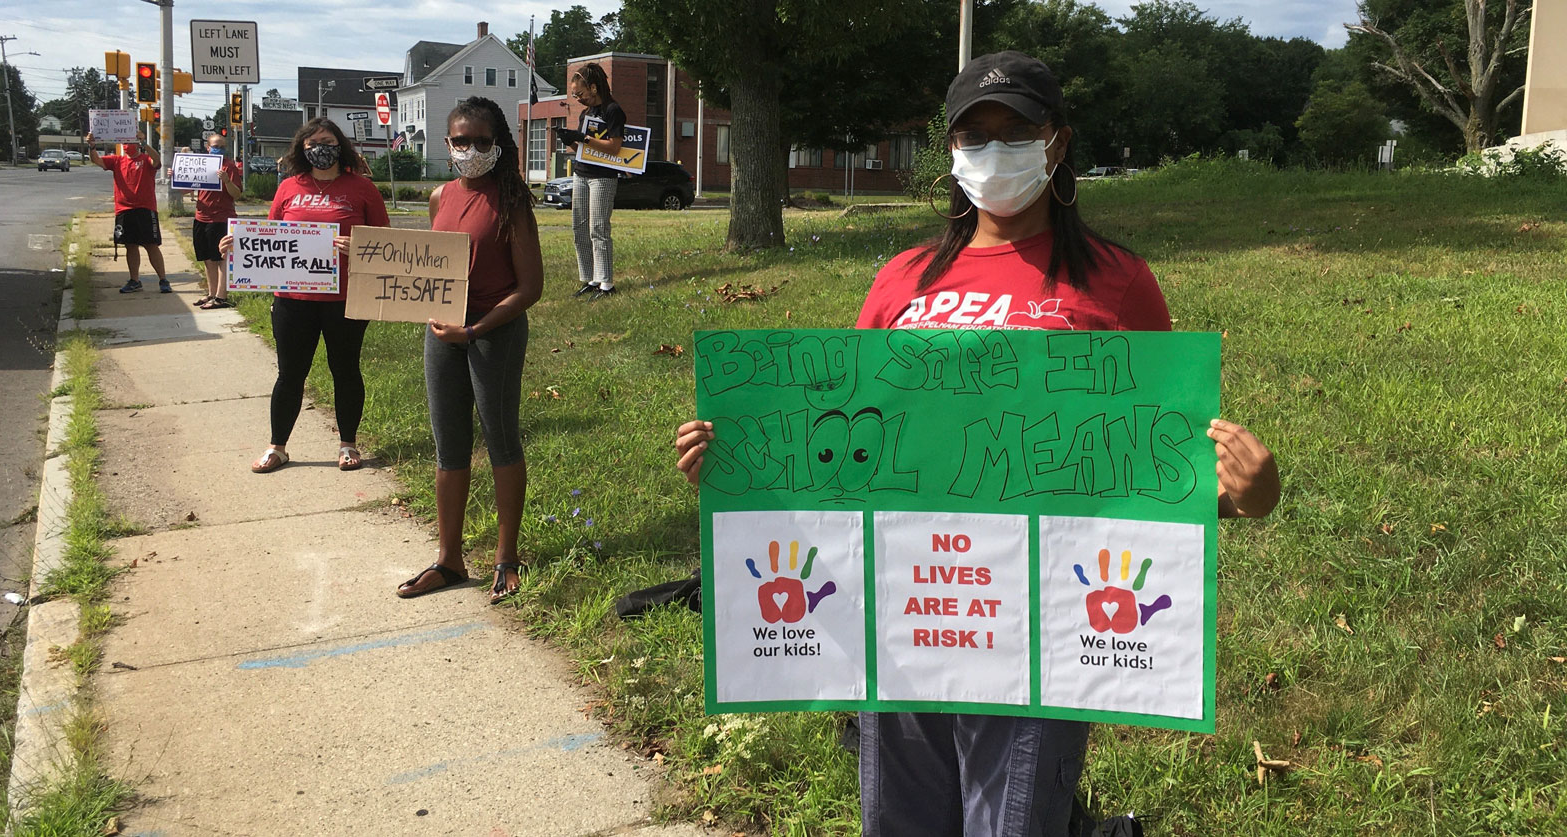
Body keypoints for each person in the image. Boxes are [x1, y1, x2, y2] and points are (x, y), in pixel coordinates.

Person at [673, 51, 1281, 836]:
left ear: (1057, 143)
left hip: (1040, 628)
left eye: (1015, 130)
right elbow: (846, 453)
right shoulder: (902, 280)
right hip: (903, 619)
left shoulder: (1117, 282)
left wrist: (1244, 496)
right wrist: (742, 474)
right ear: (951, 151)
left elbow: (1147, 476)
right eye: (974, 135)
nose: (993, 150)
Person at [396, 97, 543, 603]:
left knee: (501, 438)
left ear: (498, 144)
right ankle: (449, 559)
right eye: (462, 141)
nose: (471, 150)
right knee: (449, 445)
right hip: (442, 335)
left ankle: (507, 556)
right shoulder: (440, 196)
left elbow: (530, 288)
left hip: (492, 334)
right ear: (447, 144)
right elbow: (429, 263)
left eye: (482, 141)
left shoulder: (513, 201)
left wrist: (476, 328)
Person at [219, 118, 388, 473]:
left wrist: (358, 247)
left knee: (345, 371)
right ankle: (277, 447)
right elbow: (269, 236)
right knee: (290, 374)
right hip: (292, 301)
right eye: (311, 144)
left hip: (344, 299)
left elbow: (384, 242)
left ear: (340, 146)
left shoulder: (362, 189)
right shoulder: (288, 188)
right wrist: (238, 245)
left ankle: (348, 444)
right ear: (301, 149)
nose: (319, 149)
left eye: (326, 141)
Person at [553, 63, 625, 299]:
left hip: (602, 177)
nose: (577, 99)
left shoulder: (612, 111)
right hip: (582, 173)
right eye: (574, 95)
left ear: (593, 88)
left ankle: (606, 283)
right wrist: (570, 141)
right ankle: (591, 278)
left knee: (598, 228)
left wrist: (582, 137)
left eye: (579, 93)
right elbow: (583, 149)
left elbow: (614, 147)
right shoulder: (586, 114)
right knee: (580, 228)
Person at [87, 127, 170, 294]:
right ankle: (134, 280)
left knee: (151, 245)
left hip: (146, 210)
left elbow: (157, 160)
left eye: (130, 141)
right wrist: (91, 146)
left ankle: (163, 279)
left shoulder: (145, 159)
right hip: (124, 210)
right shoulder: (117, 161)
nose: (127, 145)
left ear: (137, 143)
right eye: (124, 142)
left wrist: (144, 143)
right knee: (130, 246)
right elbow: (96, 160)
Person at [191, 134, 242, 310]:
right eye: (215, 145)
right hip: (201, 217)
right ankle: (211, 294)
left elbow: (237, 194)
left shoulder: (229, 167)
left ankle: (221, 297)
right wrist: (176, 175)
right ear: (208, 147)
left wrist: (227, 181)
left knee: (221, 258)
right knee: (207, 258)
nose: (218, 149)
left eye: (221, 146)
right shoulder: (200, 165)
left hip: (221, 218)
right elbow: (183, 190)